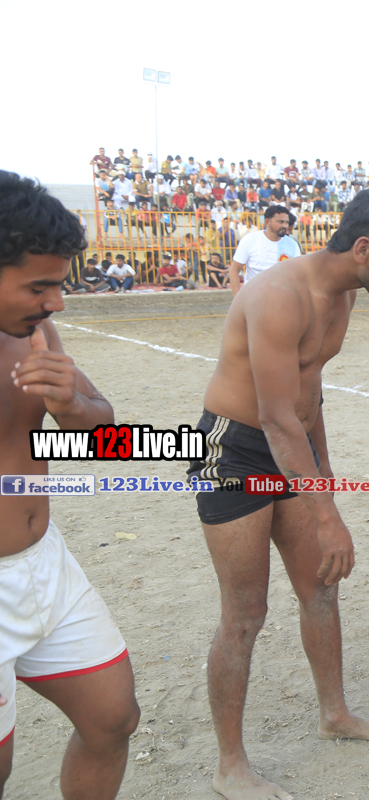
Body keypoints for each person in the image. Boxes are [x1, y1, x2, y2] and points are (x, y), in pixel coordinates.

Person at [186, 189, 369, 800]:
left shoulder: (345, 293)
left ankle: (334, 714)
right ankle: (230, 765)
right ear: (364, 249)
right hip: (234, 449)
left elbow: (308, 390)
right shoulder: (276, 295)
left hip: (292, 443)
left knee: (319, 587)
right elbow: (273, 416)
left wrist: (324, 475)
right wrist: (328, 513)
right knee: (245, 613)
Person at [0, 171, 139, 800]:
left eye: (59, 283)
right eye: (39, 286)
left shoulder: (34, 333)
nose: (56, 302)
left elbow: (105, 432)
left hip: (44, 565)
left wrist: (71, 406)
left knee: (113, 718)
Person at [229, 205, 300, 295]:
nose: (285, 226)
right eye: (280, 222)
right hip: (253, 297)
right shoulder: (249, 240)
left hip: (282, 298)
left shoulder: (293, 245)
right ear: (267, 222)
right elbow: (234, 270)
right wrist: (237, 298)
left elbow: (297, 275)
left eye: (286, 222)